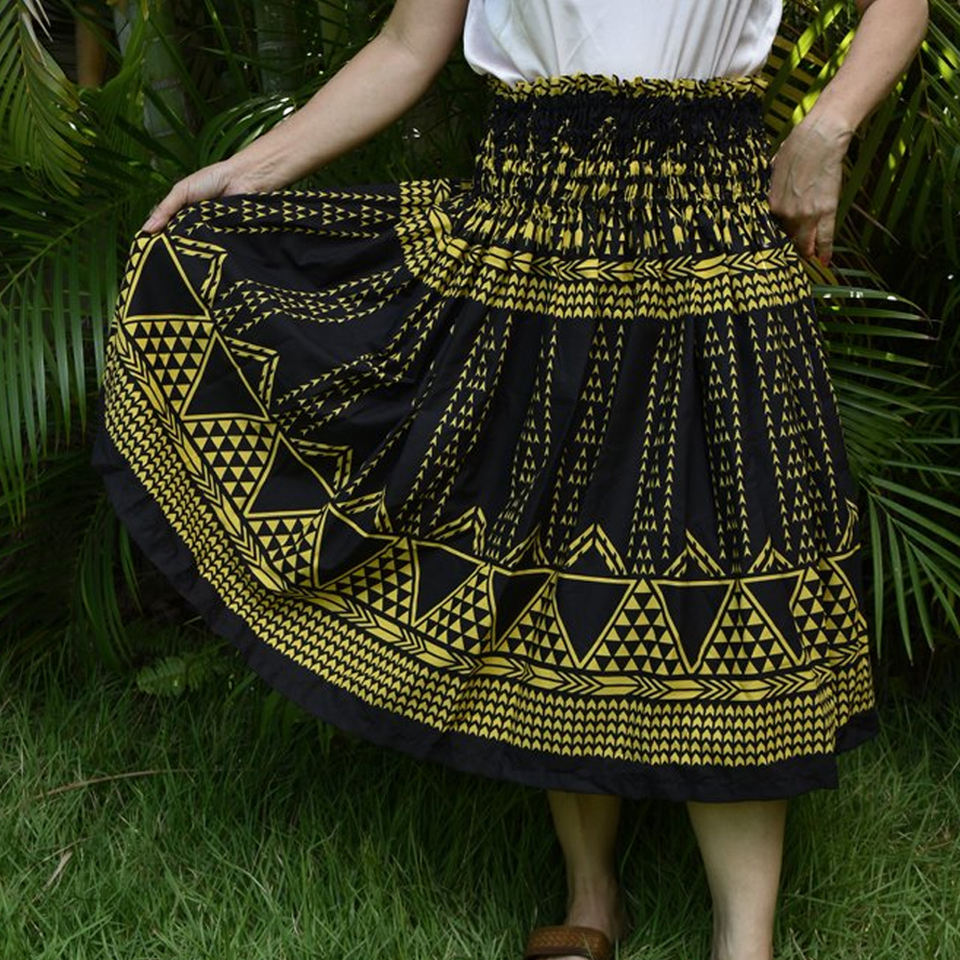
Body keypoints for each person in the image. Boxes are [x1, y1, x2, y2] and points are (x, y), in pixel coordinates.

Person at [91, 1, 929, 958]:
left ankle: (746, 945)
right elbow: (406, 45)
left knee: (740, 580)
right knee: (555, 573)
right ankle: (591, 903)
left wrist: (827, 128)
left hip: (712, 234)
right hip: (528, 236)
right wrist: (246, 172)